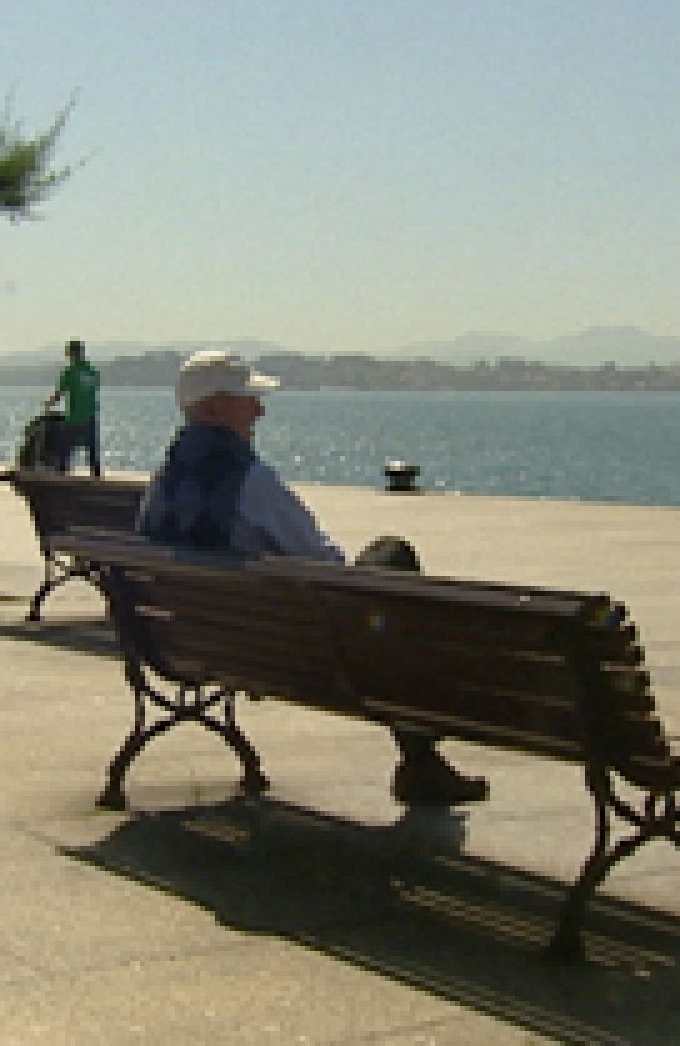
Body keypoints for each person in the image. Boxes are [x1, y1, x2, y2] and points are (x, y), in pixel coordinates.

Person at [137, 348, 489, 807]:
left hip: (189, 641)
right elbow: (326, 568)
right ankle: (421, 762)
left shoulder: (164, 480)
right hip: (285, 652)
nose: (260, 409)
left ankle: (423, 764)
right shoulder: (251, 482)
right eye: (248, 399)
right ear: (214, 408)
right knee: (391, 558)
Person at [43, 339, 103, 477]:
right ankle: (96, 476)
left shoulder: (70, 372)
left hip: (75, 416)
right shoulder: (93, 371)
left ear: (70, 353)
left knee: (65, 447)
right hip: (91, 415)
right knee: (92, 448)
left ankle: (62, 475)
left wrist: (48, 404)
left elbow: (59, 394)